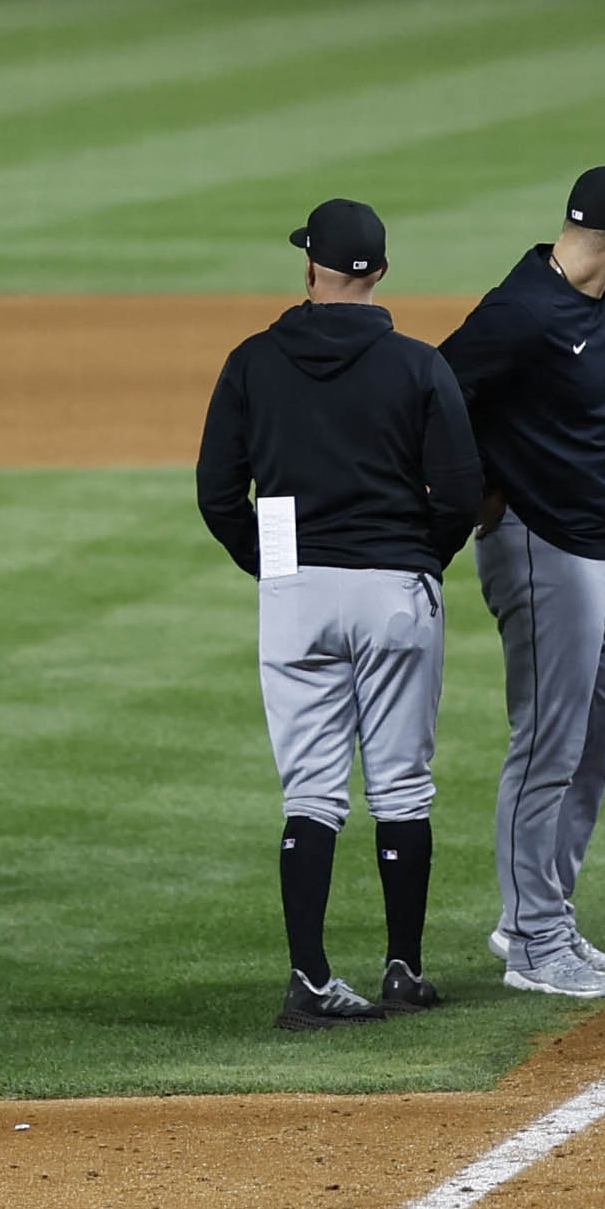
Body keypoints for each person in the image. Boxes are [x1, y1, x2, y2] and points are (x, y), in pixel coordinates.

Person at [201, 199, 484, 1028]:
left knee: (312, 792)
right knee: (401, 784)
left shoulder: (253, 361)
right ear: (380, 274)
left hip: (298, 596)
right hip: (394, 591)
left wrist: (274, 568)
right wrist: (417, 558)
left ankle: (310, 978)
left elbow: (217, 493)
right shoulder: (418, 364)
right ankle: (403, 967)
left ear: (308, 268)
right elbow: (461, 493)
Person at [444, 164, 605, 1002]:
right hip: (542, 549)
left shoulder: (595, 294)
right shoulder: (519, 313)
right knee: (547, 744)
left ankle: (544, 912)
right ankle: (532, 939)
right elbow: (435, 395)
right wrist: (480, 494)